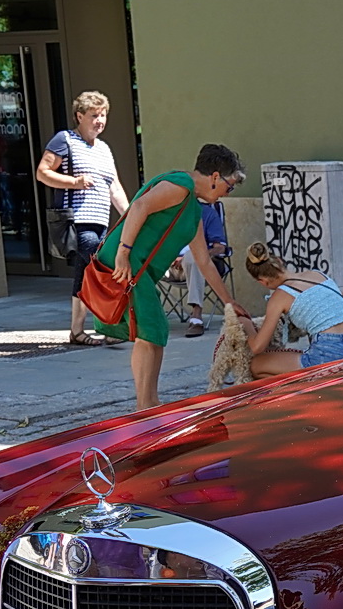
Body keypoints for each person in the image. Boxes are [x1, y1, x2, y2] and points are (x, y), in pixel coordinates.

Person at [93, 143, 252, 410]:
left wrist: (228, 302)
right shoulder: (181, 185)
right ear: (215, 177)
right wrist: (123, 253)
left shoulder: (194, 210)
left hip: (138, 267)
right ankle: (145, 405)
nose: (228, 192)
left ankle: (150, 401)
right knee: (151, 329)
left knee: (155, 330)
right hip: (127, 262)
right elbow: (140, 205)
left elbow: (203, 260)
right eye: (230, 185)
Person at [36, 91, 131, 346]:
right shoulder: (64, 140)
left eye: (103, 115)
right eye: (94, 116)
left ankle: (77, 331)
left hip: (101, 223)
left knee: (86, 272)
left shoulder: (104, 149)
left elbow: (114, 187)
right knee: (101, 266)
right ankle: (108, 327)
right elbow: (43, 173)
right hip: (77, 222)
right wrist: (74, 182)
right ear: (79, 116)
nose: (100, 121)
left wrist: (131, 216)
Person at [239, 242, 343, 378]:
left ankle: (307, 389)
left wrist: (246, 323)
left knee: (256, 365)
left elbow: (258, 347)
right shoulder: (316, 274)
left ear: (262, 281)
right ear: (280, 261)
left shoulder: (279, 296)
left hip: (329, 353)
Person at [173, 198, 231, 337]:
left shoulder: (207, 213)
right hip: (170, 267)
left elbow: (220, 247)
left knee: (194, 257)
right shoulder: (169, 215)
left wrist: (200, 254)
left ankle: (196, 316)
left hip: (201, 267)